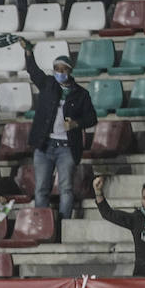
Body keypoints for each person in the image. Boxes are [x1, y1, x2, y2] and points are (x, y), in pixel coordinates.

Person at [23, 40, 95, 219]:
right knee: (41, 189)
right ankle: (42, 225)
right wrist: (29, 53)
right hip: (44, 145)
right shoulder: (48, 84)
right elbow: (33, 72)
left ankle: (63, 226)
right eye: (57, 69)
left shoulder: (81, 93)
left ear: (70, 71)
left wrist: (76, 124)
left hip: (67, 148)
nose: (60, 73)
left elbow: (92, 118)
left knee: (66, 188)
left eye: (63, 69)